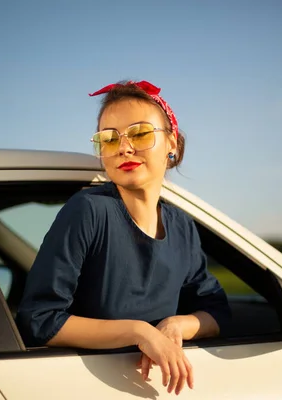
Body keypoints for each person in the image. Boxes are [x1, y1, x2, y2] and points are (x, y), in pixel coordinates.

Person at [16, 80, 231, 395]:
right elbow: (40, 319)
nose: (124, 147)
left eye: (141, 133)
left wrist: (175, 326)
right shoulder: (89, 210)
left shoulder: (182, 225)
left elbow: (216, 312)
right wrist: (141, 333)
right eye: (109, 138)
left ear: (172, 143)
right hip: (84, 386)